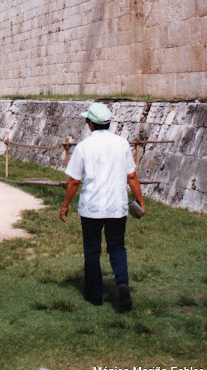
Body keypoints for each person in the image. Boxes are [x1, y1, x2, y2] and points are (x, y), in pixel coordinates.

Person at [60, 102, 145, 311]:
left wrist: (65, 205)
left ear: (90, 123)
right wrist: (140, 201)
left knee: (92, 250)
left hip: (92, 207)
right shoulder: (122, 144)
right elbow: (131, 176)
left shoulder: (83, 147)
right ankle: (122, 283)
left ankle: (94, 295)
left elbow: (74, 181)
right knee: (117, 247)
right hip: (117, 206)